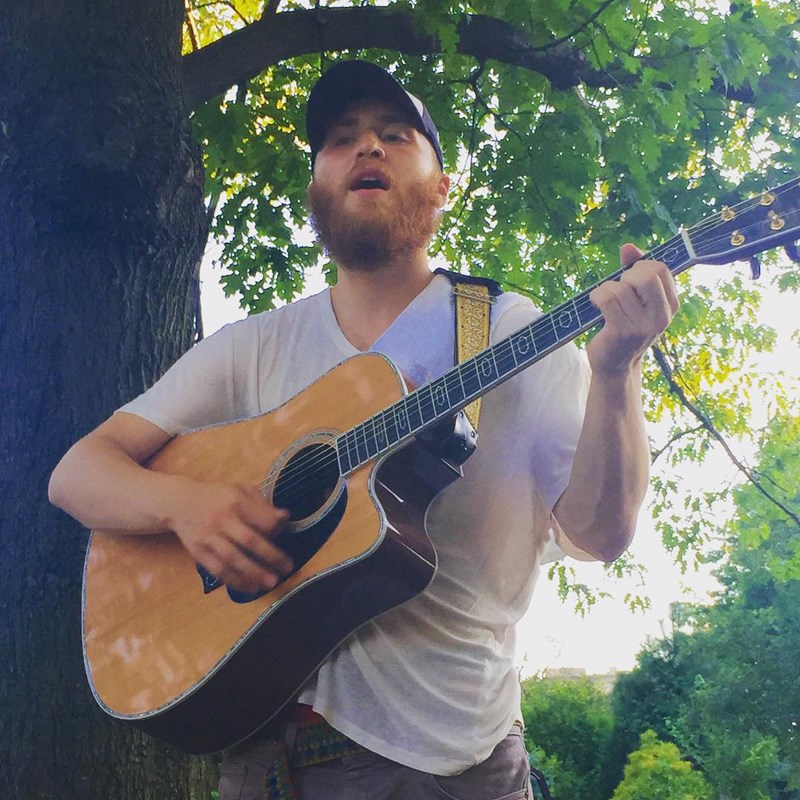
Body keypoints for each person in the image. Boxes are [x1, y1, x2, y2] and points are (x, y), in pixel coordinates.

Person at [49, 60, 678, 799]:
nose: (367, 148)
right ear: (318, 187)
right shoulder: (254, 346)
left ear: (443, 190)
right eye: (342, 139)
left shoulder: (511, 333)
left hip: (445, 763)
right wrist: (184, 507)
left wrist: (616, 374)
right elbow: (77, 474)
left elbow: (601, 535)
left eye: (395, 135)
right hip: (260, 758)